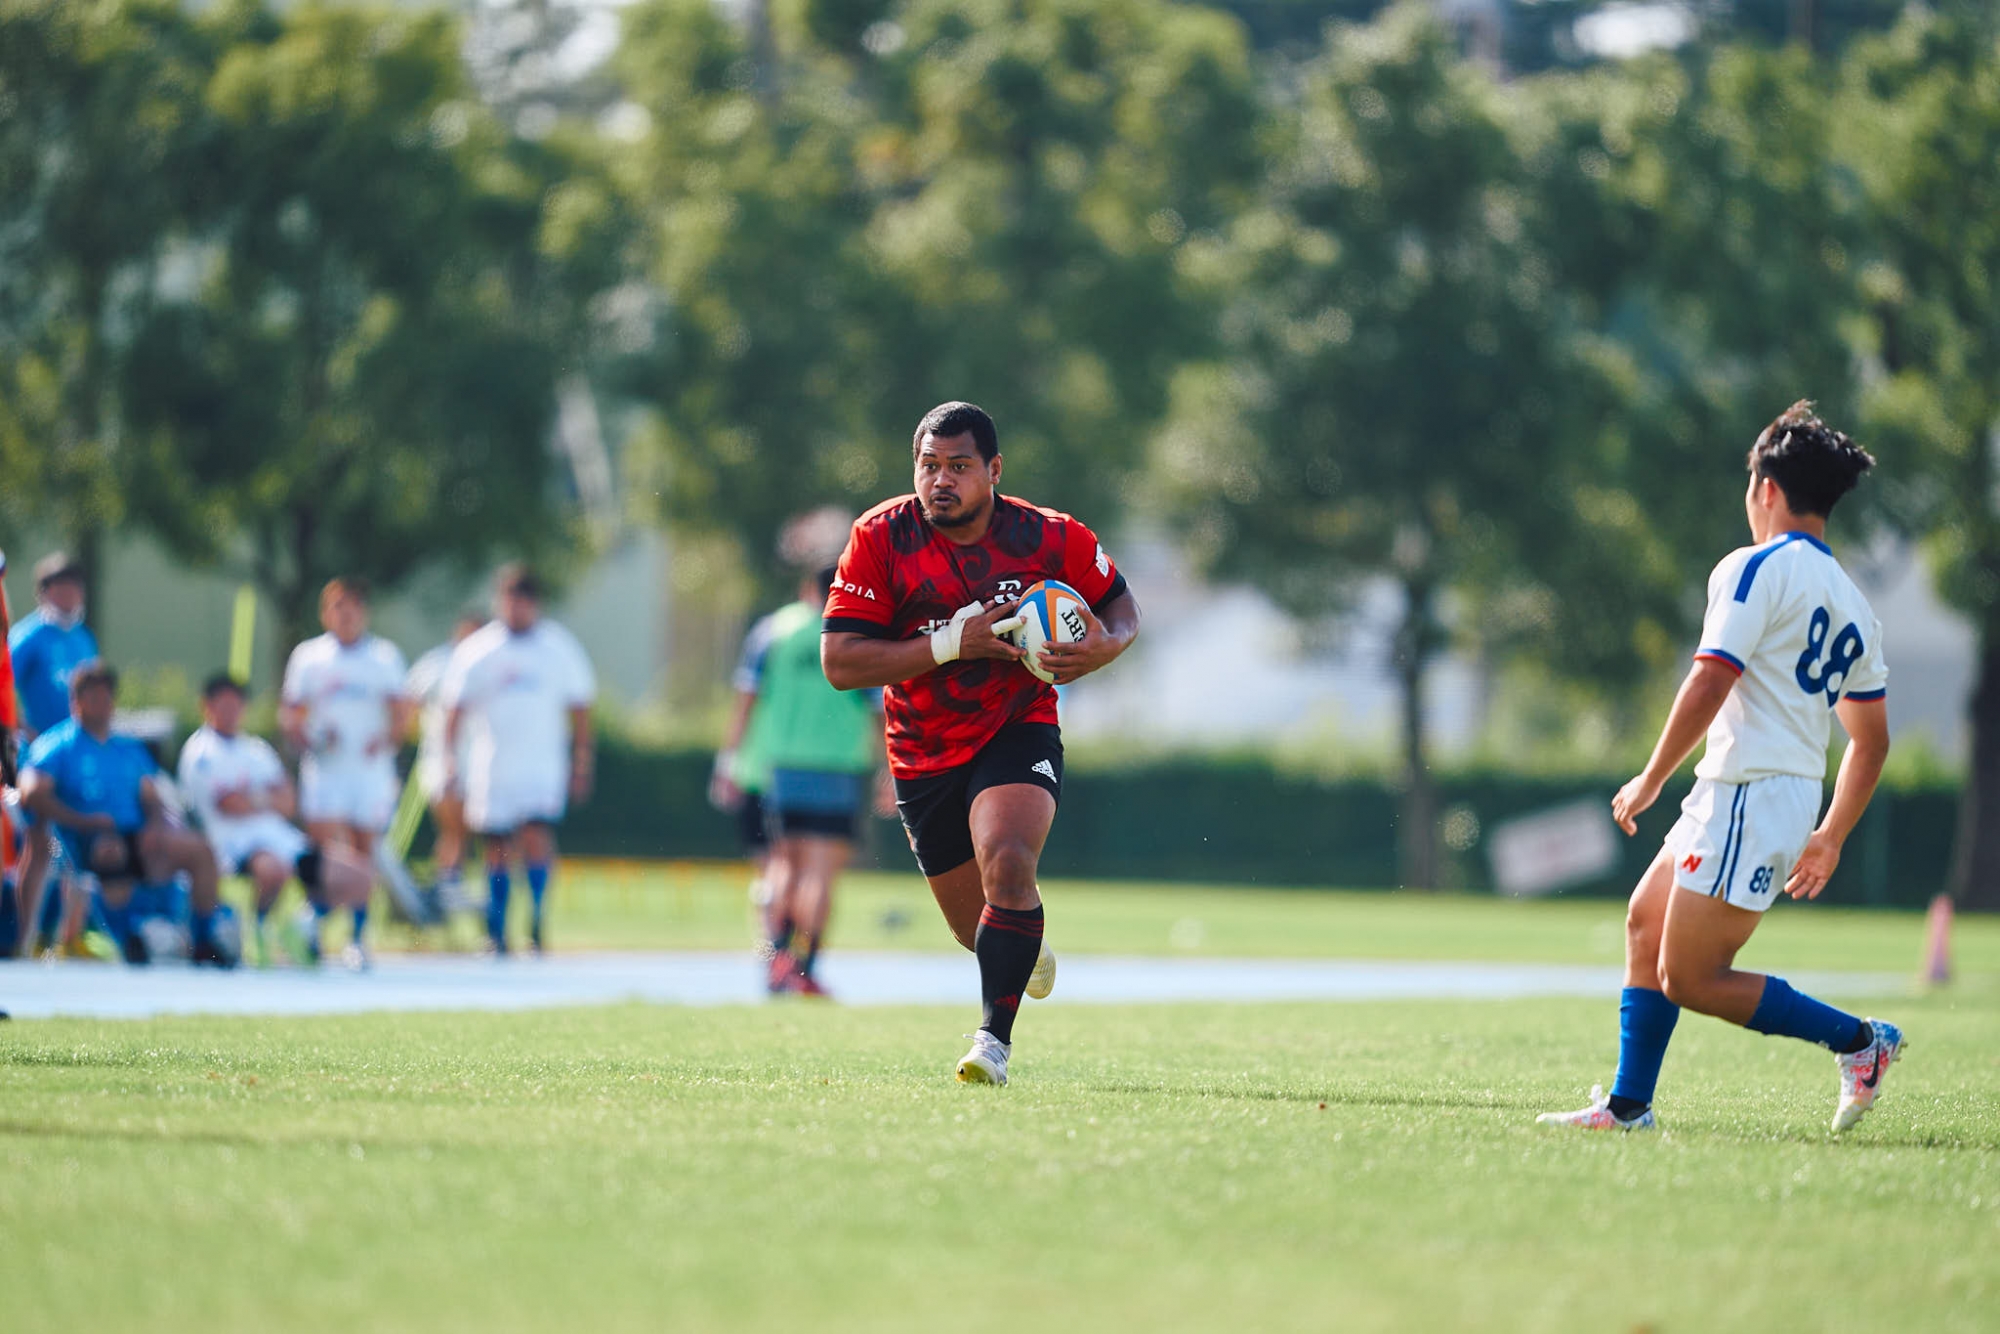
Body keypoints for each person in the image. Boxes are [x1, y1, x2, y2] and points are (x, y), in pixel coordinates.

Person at [1538, 401, 1902, 1136]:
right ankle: (1628, 1107)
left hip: (1750, 793)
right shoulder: (1856, 605)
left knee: (1692, 978)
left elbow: (1710, 680)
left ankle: (1860, 1041)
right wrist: (1830, 834)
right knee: (1646, 920)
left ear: (1766, 487)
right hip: (1756, 791)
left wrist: (1650, 777)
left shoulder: (1755, 567)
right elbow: (1871, 740)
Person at [822, 401, 1140, 1085]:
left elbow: (1119, 603)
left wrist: (1103, 649)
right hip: (922, 747)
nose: (940, 480)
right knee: (976, 929)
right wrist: (950, 643)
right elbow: (841, 661)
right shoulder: (880, 537)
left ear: (993, 470)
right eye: (928, 466)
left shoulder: (1049, 537)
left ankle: (992, 1043)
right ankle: (1024, 949)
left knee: (1009, 859)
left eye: (959, 467)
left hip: (1015, 722)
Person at [732, 565, 891, 997]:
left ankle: (776, 957)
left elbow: (746, 697)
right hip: (838, 768)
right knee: (820, 872)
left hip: (783, 766)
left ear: (807, 589)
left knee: (783, 864)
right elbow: (879, 711)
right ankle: (804, 968)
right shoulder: (857, 636)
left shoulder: (774, 631)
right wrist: (890, 770)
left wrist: (730, 758)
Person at [17, 660, 238, 966]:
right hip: (87, 838)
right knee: (112, 850)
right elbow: (31, 793)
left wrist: (156, 826)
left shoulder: (127, 747)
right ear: (76, 701)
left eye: (106, 697)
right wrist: (83, 820)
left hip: (136, 832)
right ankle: (124, 936)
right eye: (93, 697)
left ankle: (204, 940)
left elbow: (151, 797)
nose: (101, 705)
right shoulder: (58, 746)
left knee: (199, 850)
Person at [442, 565, 596, 956]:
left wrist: (581, 761)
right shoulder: (479, 649)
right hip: (493, 765)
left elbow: (580, 709)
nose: (516, 609)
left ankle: (537, 920)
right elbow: (454, 709)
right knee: (496, 846)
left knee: (535, 837)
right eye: (509, 600)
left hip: (541, 766)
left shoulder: (558, 648)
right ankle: (497, 929)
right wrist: (448, 760)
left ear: (535, 604)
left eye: (523, 601)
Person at [177, 673, 378, 967]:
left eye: (236, 705)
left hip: (280, 839)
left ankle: (302, 927)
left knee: (360, 876)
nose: (231, 712)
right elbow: (228, 805)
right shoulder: (200, 752)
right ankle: (257, 933)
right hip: (233, 843)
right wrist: (263, 797)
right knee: (273, 870)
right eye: (223, 705)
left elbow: (286, 801)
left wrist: (251, 798)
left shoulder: (256, 749)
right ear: (207, 707)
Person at [281, 578, 411, 967]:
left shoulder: (384, 657)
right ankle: (313, 932)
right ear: (326, 612)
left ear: (364, 612)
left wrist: (385, 739)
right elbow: (290, 712)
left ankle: (356, 937)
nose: (346, 613)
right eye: (338, 606)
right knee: (322, 850)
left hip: (368, 772)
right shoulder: (309, 657)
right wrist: (309, 737)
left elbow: (402, 713)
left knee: (362, 849)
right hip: (327, 770)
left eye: (353, 605)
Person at [7, 553, 101, 955]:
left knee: (82, 839)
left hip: (75, 754)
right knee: (39, 840)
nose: (69, 595)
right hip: (38, 754)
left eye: (75, 586)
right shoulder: (29, 636)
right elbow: (3, 682)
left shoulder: (83, 637)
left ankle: (68, 936)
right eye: (60, 586)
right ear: (44, 592)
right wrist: (20, 728)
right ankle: (20, 939)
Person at [406, 611, 486, 921]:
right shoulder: (437, 663)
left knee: (464, 830)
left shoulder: (490, 664)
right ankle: (447, 882)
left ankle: (448, 881)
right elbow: (408, 702)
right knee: (454, 819)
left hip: (477, 760)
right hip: (441, 759)